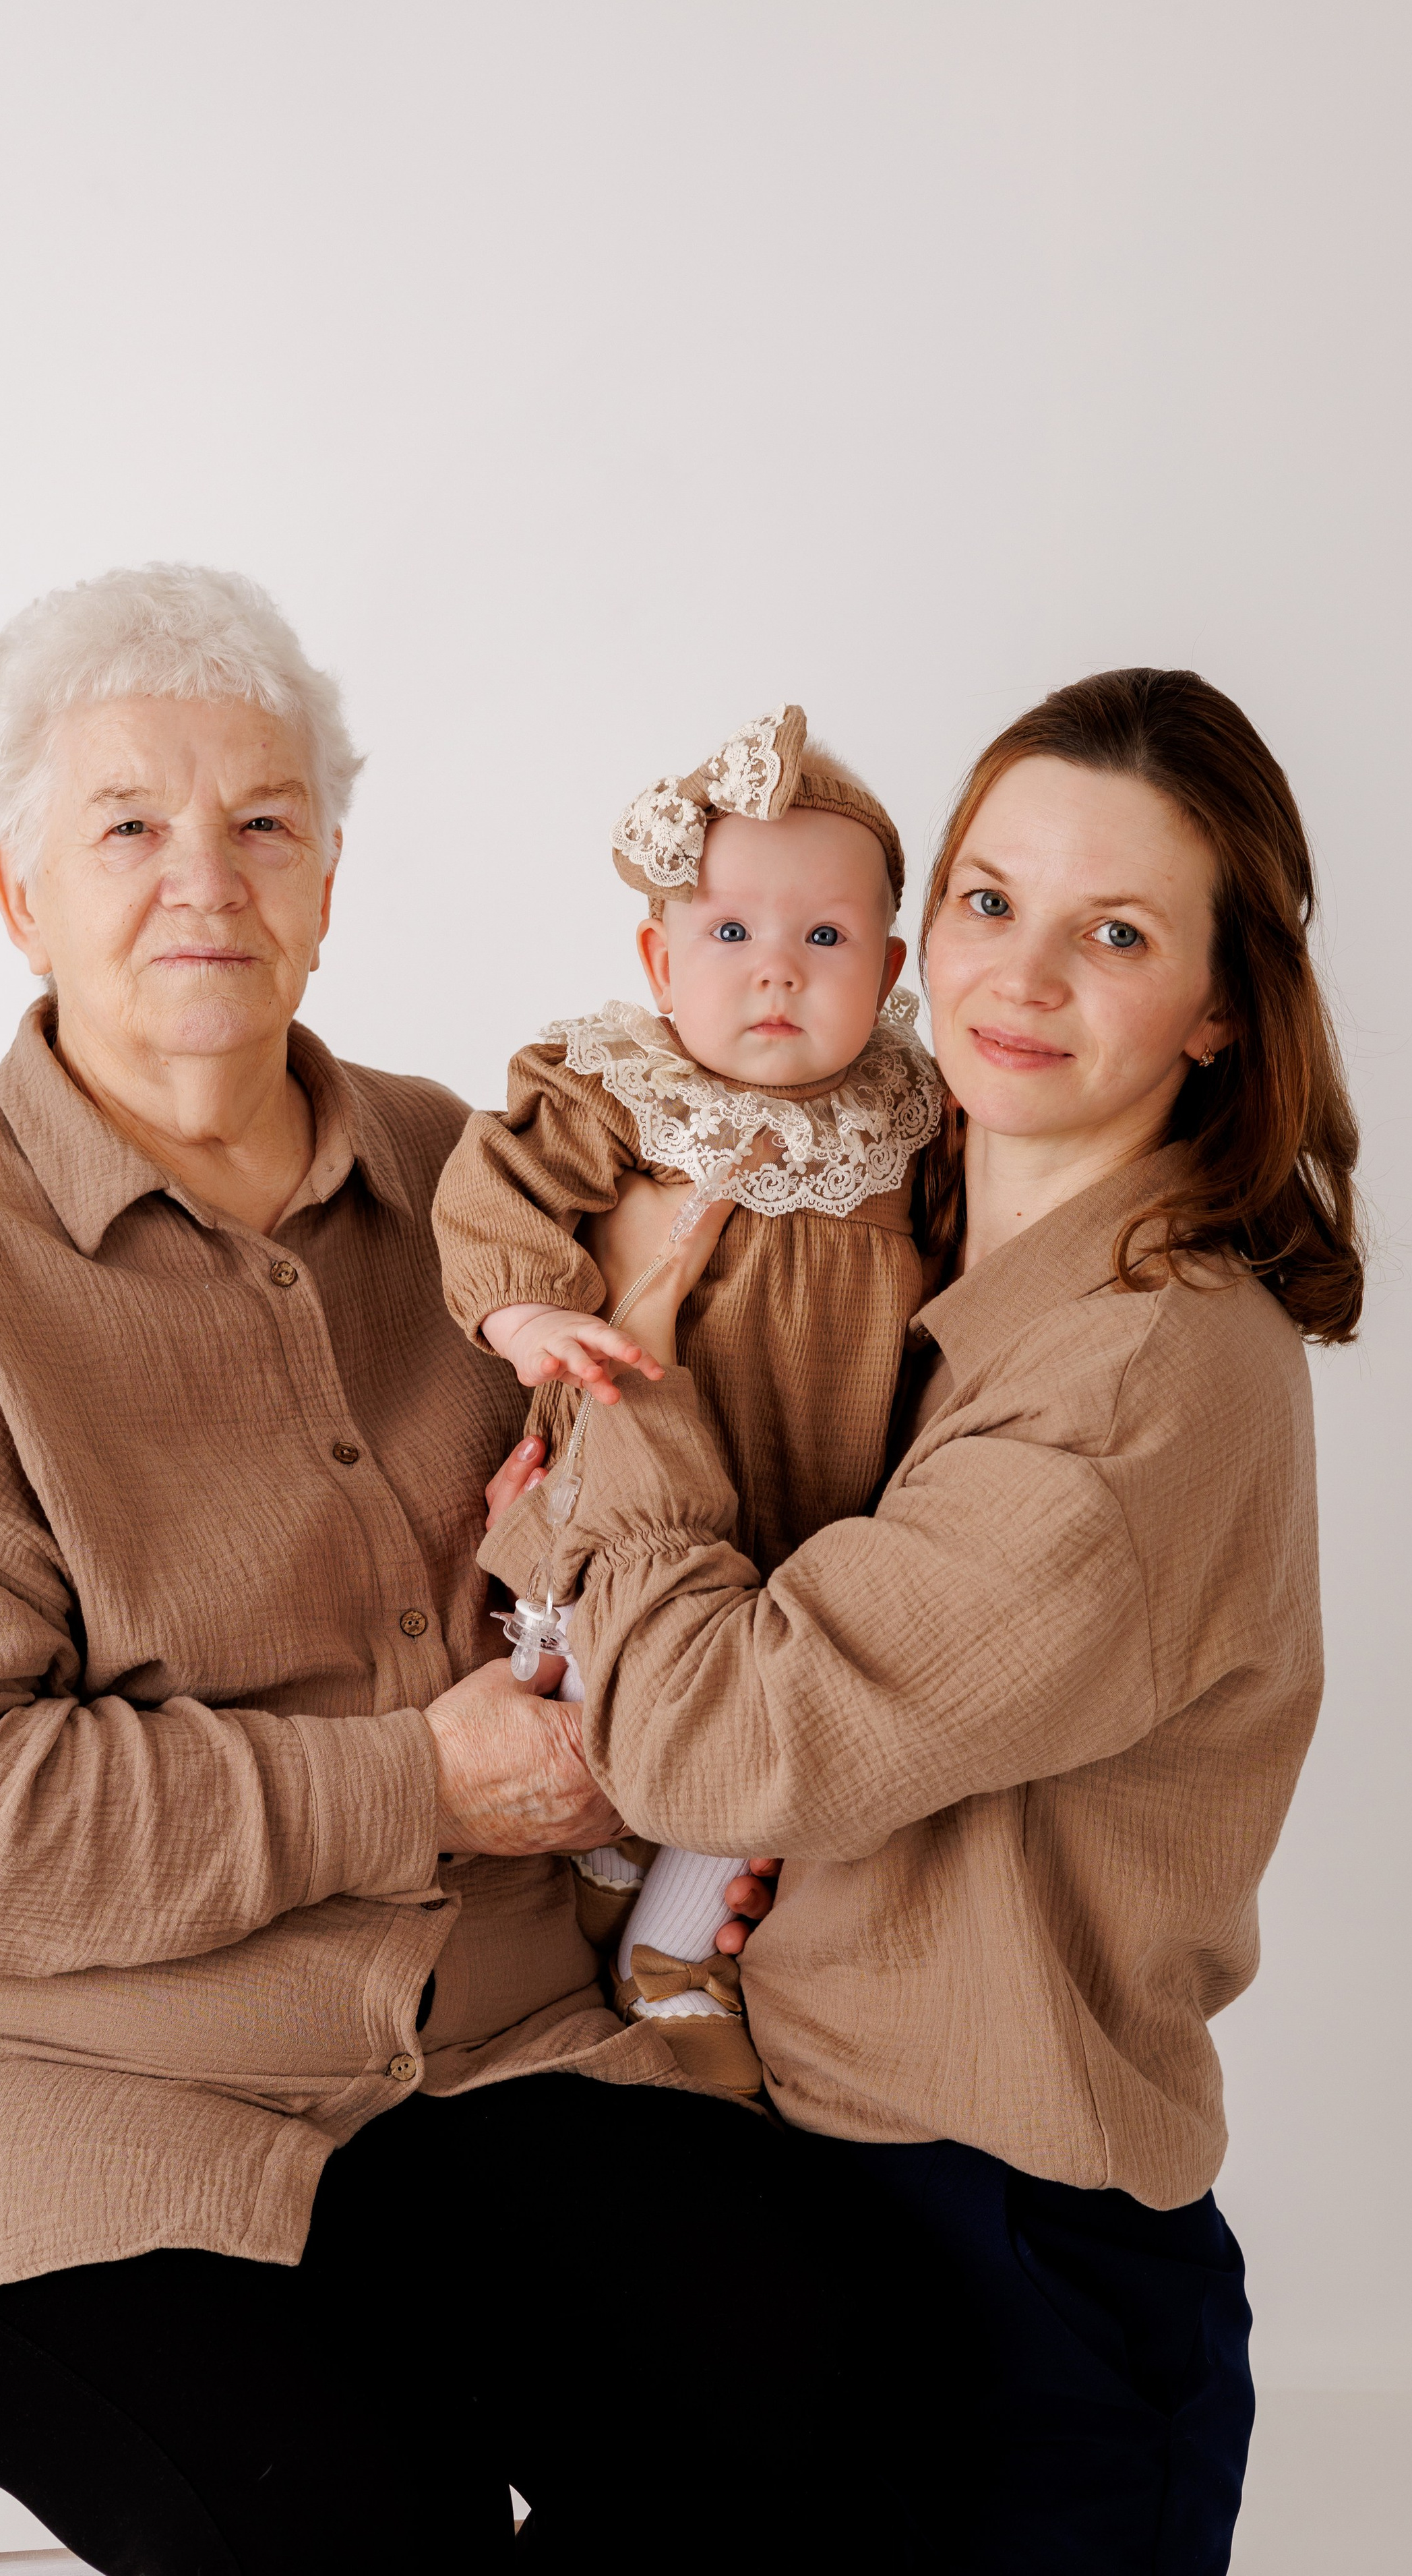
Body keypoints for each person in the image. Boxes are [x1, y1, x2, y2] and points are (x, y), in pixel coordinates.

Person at [0, 565, 879, 2574]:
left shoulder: (485, 1190)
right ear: (17, 893)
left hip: (466, 2050)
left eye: (264, 823)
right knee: (355, 2525)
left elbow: (655, 1543)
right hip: (27, 2095)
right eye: (128, 826)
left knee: (828, 2393)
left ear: (328, 882)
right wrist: (427, 1785)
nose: (205, 879)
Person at [477, 667, 1363, 2569]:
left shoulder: (1148, 1373)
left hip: (1012, 2262)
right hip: (799, 2198)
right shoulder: (908, 1258)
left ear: (1219, 1008)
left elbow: (721, 1737)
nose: (1019, 977)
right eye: (988, 901)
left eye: (1111, 932)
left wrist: (615, 1399)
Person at [431, 706, 942, 2087]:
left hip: (813, 1516)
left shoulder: (910, 1123)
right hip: (633, 1485)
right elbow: (498, 1183)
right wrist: (530, 1307)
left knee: (760, 1736)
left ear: (890, 969)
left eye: (822, 942)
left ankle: (675, 1954)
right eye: (728, 937)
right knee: (582, 1687)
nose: (774, 974)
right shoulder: (623, 1088)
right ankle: (568, 1894)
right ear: (658, 962)